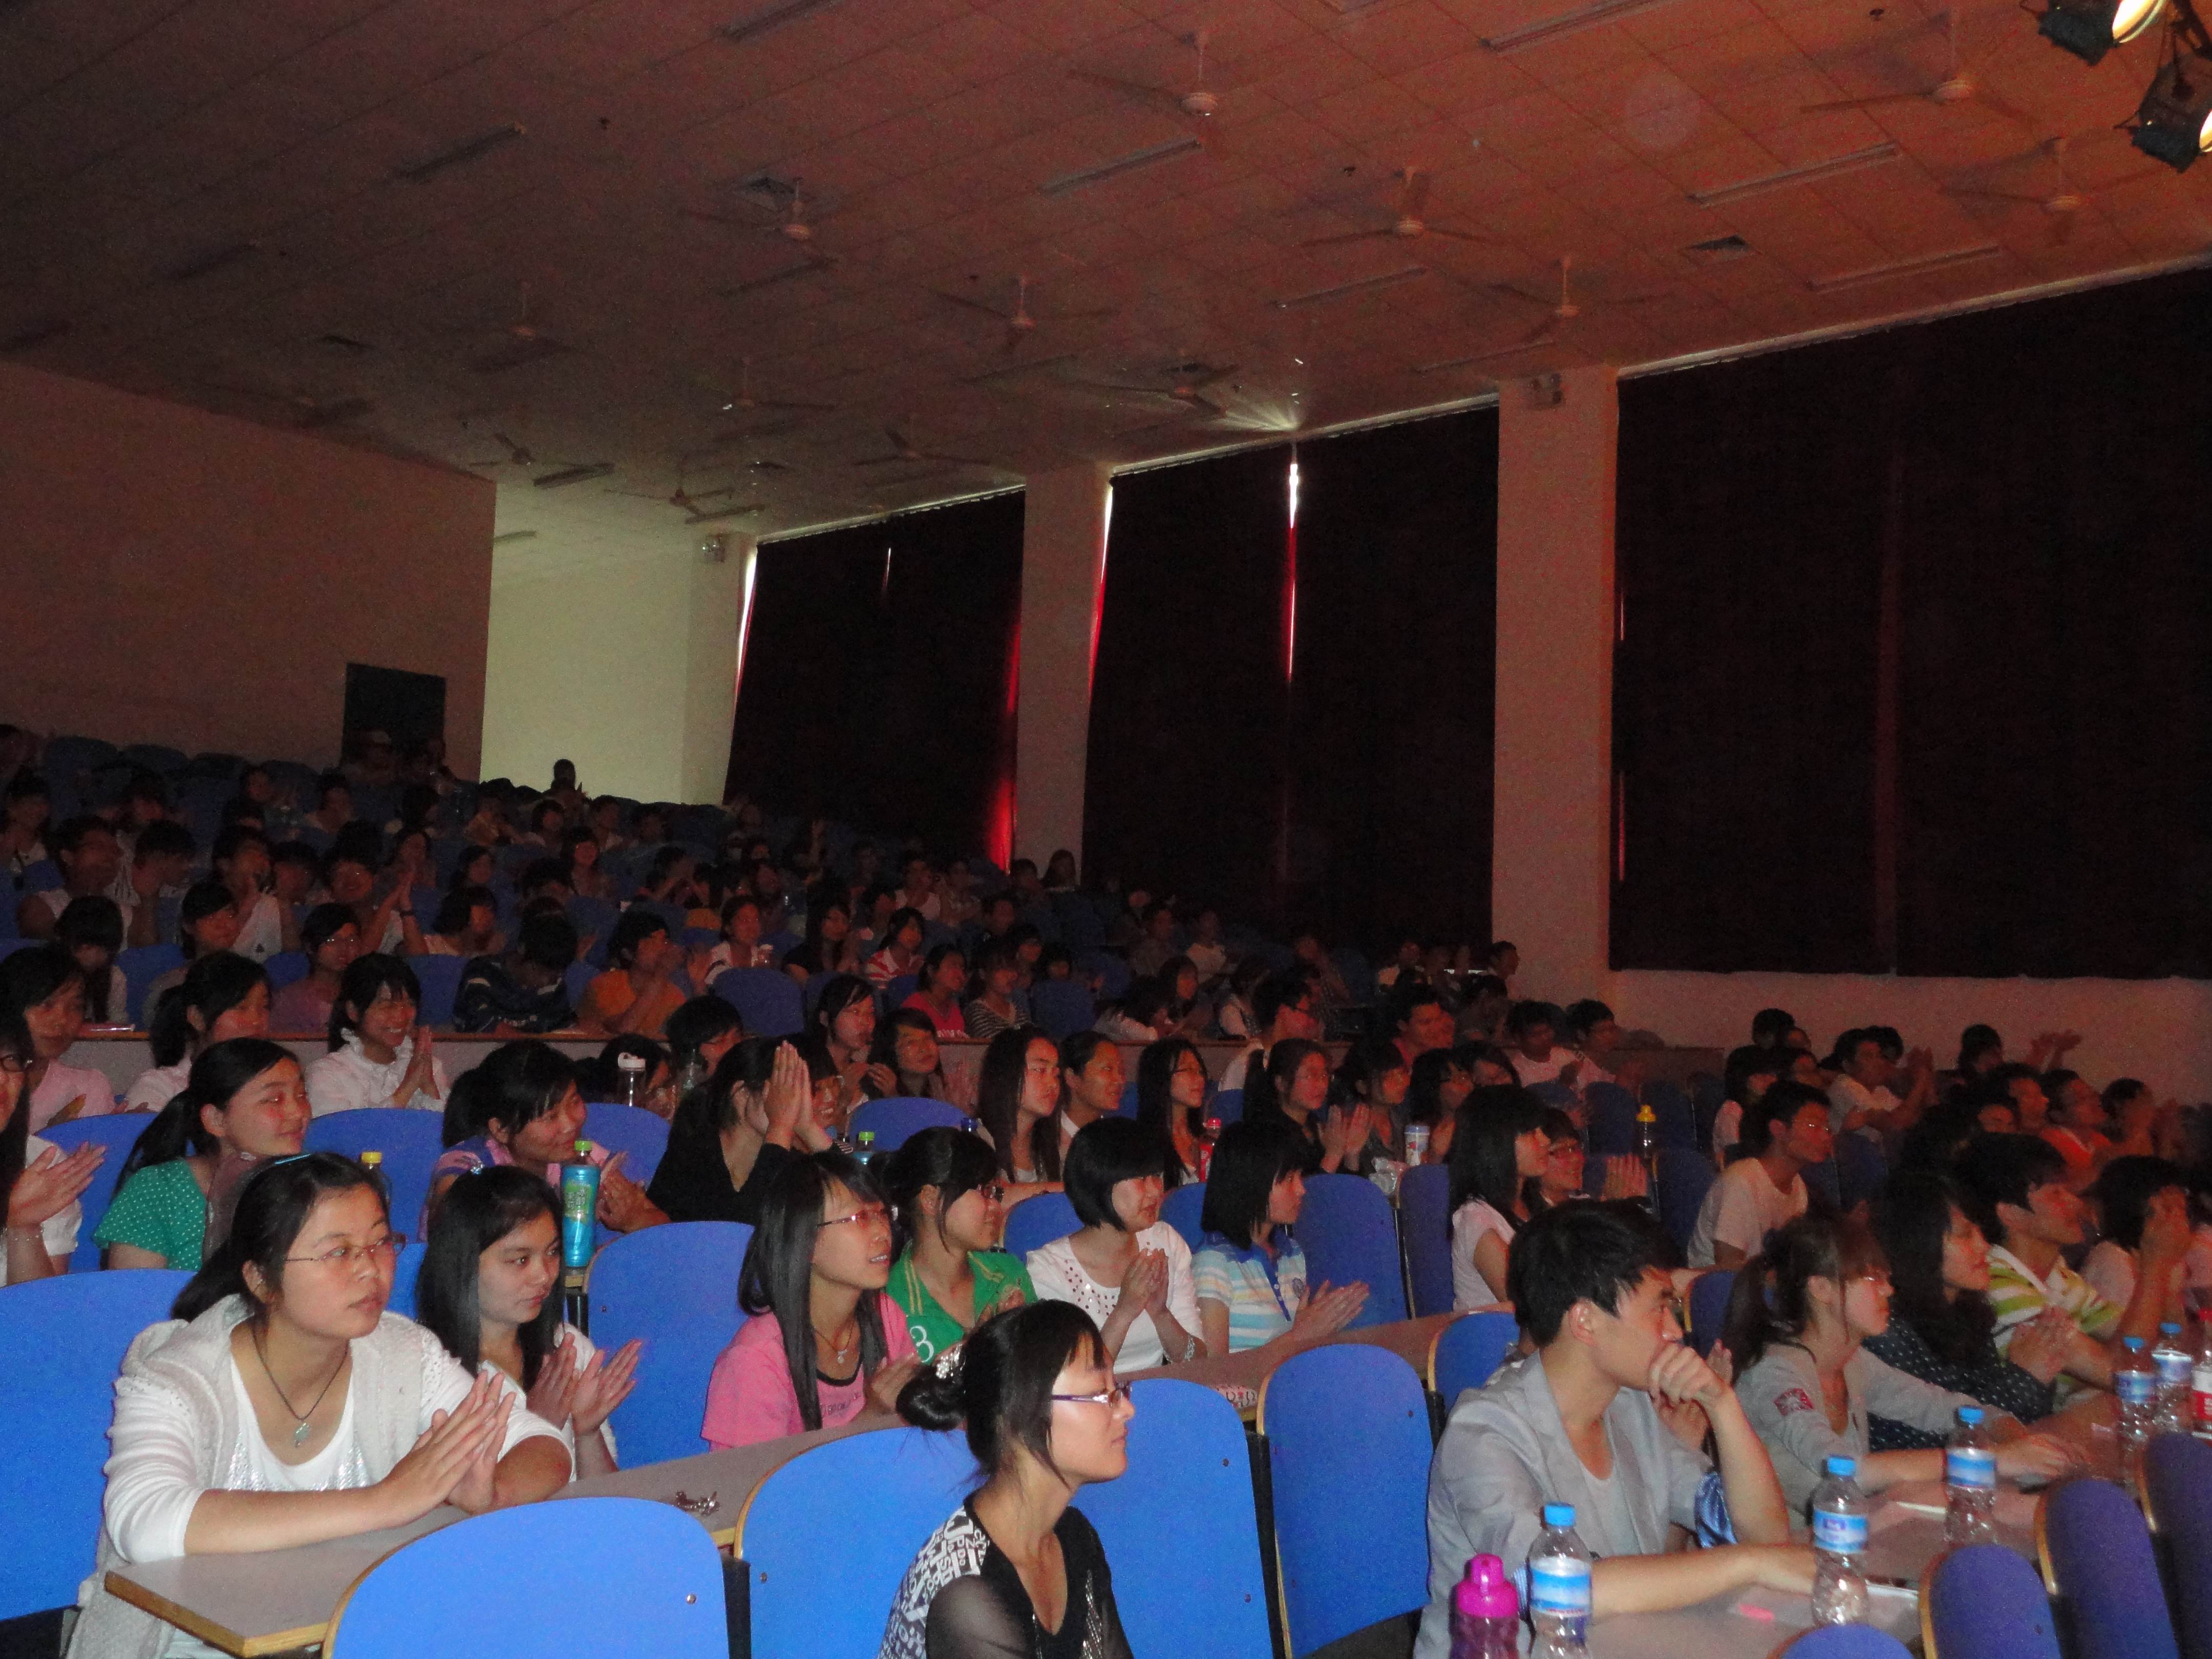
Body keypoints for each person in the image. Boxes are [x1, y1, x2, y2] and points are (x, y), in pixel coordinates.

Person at [70, 1153, 571, 1659]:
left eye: (380, 1243)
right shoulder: (177, 1377)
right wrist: (385, 1501)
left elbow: (541, 1444)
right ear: (261, 1279)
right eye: (338, 1252)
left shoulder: (404, 1354)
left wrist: (493, 1496)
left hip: (346, 1638)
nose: (370, 1269)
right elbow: (145, 1524)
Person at [1412, 1202, 1805, 1659]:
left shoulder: (1632, 1406)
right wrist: (1749, 1564)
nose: (1675, 1331)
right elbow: (1560, 1590)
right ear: (1586, 1321)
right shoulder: (1482, 1432)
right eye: (1659, 1308)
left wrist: (1723, 1405)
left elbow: (1764, 1534)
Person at [1724, 1213, 2076, 1518]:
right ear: (1822, 1289)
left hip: (1849, 1538)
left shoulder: (1854, 1361)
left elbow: (1943, 1407)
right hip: (1791, 1554)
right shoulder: (1773, 1373)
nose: (1889, 1291)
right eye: (1873, 1279)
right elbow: (1848, 1471)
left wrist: (2017, 1439)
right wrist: (1995, 1459)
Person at [882, 1301, 1135, 1659]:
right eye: (1100, 1393)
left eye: (1117, 1389)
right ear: (1022, 1413)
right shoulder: (967, 1594)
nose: (1127, 1409)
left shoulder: (1075, 1537)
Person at [415, 1164, 641, 1479]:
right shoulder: (428, 1370)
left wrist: (587, 1433)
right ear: (462, 1264)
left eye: (552, 1252)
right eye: (520, 1260)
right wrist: (539, 1429)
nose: (544, 1275)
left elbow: (604, 1495)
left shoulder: (566, 1346)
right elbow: (468, 1502)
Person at [702, 1150, 922, 1448]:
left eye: (882, 1214)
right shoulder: (755, 1359)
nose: (883, 1232)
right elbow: (755, 1476)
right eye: (860, 1218)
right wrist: (870, 1418)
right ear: (807, 1242)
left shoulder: (886, 1316)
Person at [1956, 1131, 2187, 1400]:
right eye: (2056, 1194)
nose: (2075, 1202)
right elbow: (2121, 1374)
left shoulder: (2061, 1278)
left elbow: (2158, 1349)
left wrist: (2167, 1275)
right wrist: (2155, 1263)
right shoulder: (1996, 1284)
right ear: (2010, 1213)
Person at [1862, 1168, 2077, 1447]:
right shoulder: (1888, 1330)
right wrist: (2025, 1375)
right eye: (1965, 1234)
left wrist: (2038, 1371)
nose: (1984, 1246)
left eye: (1980, 1231)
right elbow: (1937, 1435)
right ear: (1918, 1244)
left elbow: (2016, 1418)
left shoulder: (1968, 1312)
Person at [99, 1038, 311, 1271]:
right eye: (274, 1100)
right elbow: (137, 1290)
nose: (298, 1112)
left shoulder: (316, 1184)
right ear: (216, 1120)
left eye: (302, 1095)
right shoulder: (158, 1190)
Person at [423, 1040, 664, 1239]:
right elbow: (456, 1248)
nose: (571, 1124)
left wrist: (635, 1220)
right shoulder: (467, 1168)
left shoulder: (583, 1159)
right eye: (550, 1117)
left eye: (574, 1102)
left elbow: (667, 1229)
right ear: (501, 1130)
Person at [1025, 1117, 1204, 1375]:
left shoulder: (1166, 1242)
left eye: (1157, 1176)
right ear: (1099, 1182)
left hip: (1159, 1392)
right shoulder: (1049, 1270)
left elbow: (1197, 1361)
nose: (1156, 1191)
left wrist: (1161, 1313)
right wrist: (1124, 1312)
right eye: (1141, 1179)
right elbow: (1071, 1381)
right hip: (1094, 1399)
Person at [1192, 1118, 1366, 1356]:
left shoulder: (1292, 1253)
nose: (1302, 1190)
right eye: (1289, 1179)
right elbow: (1215, 1370)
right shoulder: (1213, 1262)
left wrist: (1322, 1328)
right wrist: (1300, 1337)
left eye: (1300, 1177)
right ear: (1252, 1183)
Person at [883, 1126, 1037, 1363]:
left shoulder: (1009, 1273)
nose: (995, 1207)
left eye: (996, 1194)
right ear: (931, 1199)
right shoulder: (892, 1301)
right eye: (985, 1192)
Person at [647, 1037, 828, 1226]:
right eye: (784, 1093)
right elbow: (743, 1231)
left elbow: (849, 1197)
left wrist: (809, 1129)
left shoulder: (790, 1161)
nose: (793, 1105)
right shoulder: (694, 1155)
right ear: (741, 1095)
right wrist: (779, 1128)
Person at [0, 1005, 101, 1284]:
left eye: (11, 1059)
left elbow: (39, 1304)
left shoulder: (41, 1163)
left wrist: (23, 1227)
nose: (3, 1077)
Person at [1687, 1079, 1832, 1270]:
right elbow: (1728, 1268)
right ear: (1779, 1129)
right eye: (1813, 1126)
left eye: (1827, 1129)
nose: (1825, 1137)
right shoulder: (1741, 1181)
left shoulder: (1798, 1185)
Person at [125, 954, 272, 1114]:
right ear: (197, 1018)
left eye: (264, 1007)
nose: (256, 1021)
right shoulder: (159, 1087)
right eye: (240, 1008)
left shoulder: (279, 1082)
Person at [305, 955, 449, 1117]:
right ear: (353, 1011)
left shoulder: (429, 1066)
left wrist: (428, 1086)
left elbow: (445, 1132)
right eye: (387, 1006)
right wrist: (408, 1087)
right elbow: (345, 1132)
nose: (401, 1017)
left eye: (409, 1004)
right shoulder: (326, 1074)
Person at [1448, 1083, 1550, 1308]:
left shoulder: (1537, 1205)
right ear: (1496, 1143)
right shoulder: (1476, 1220)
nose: (1545, 1141)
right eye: (1531, 1133)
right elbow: (1530, 1306)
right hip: (1500, 1331)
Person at [2, 944, 115, 1130]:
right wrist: (51, 1136)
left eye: (75, 1007)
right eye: (47, 1005)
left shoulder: (87, 1088)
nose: (62, 1020)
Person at [1242, 1037, 1366, 1176]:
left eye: (1324, 1075)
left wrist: (1351, 1155)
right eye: (1310, 1076)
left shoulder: (1315, 1125)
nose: (1322, 1085)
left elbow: (1343, 1186)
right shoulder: (1267, 1133)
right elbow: (1297, 1188)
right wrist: (1333, 1156)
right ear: (1282, 1083)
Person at [2081, 1155, 2192, 1309]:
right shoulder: (2113, 1260)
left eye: (2181, 1209)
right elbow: (2133, 1327)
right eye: (2168, 1208)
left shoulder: (2165, 1258)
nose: (2179, 1219)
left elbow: (2173, 1324)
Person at [576, 908, 700, 1040]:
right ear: (628, 953)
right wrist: (661, 974)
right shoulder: (605, 985)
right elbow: (624, 1030)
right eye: (651, 941)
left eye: (665, 941)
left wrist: (699, 985)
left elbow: (694, 1034)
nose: (663, 948)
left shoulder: (672, 993)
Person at [453, 910, 579, 1035]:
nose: (545, 982)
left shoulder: (554, 986)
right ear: (522, 950)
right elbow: (484, 1026)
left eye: (556, 975)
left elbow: (563, 1030)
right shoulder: (483, 973)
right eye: (539, 971)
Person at [975, 1026, 1066, 1196]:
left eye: (1056, 1075)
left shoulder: (1052, 1148)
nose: (1053, 1084)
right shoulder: (975, 1140)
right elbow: (989, 1197)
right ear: (1007, 1073)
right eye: (1040, 1070)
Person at [270, 904, 359, 1035]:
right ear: (310, 947)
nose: (344, 948)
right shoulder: (289, 1000)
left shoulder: (363, 994)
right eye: (332, 940)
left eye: (351, 940)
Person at [812, 974, 895, 1114]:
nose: (866, 1022)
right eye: (855, 1012)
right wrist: (844, 1098)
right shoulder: (807, 1067)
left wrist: (891, 1096)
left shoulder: (868, 1070)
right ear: (825, 1018)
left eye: (871, 1013)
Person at [1132, 1037, 1207, 1186]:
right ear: (1161, 1076)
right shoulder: (1142, 1143)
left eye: (1200, 1071)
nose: (1199, 1079)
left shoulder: (1206, 1137)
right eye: (1188, 1070)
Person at [212, 826, 284, 964]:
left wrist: (285, 903)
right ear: (225, 864)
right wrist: (248, 905)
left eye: (265, 856)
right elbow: (214, 957)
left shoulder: (271, 904)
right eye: (251, 853)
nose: (261, 861)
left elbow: (291, 955)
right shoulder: (204, 901)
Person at [55, 894, 129, 1025]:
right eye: (86, 946)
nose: (93, 954)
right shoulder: (45, 975)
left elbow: (118, 1024)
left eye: (102, 947)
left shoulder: (115, 979)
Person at [1712, 1045, 1781, 1167]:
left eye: (1772, 1074)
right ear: (1742, 1078)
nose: (1770, 1080)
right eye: (1759, 1075)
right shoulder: (1732, 1110)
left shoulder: (1772, 1108)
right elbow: (1736, 1155)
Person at [873, 1007, 956, 1104]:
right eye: (911, 1042)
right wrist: (893, 1098)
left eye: (928, 1038)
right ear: (891, 1052)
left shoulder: (941, 1087)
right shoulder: (877, 1093)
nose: (924, 1048)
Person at [1405, 1048, 1473, 1166]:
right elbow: (1416, 1173)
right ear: (1434, 1088)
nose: (1467, 1085)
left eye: (1466, 1077)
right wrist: (1436, 1155)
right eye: (1458, 1080)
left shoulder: (1478, 1121)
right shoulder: (1420, 1133)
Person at [962, 937, 1027, 1042]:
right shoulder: (977, 1012)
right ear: (983, 974)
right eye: (1003, 969)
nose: (1012, 975)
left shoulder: (1018, 1010)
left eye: (1013, 969)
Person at [903, 943, 969, 1039]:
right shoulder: (914, 1007)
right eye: (953, 966)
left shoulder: (955, 1010)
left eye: (962, 968)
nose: (960, 974)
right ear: (931, 971)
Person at [1502, 1001, 1572, 1089]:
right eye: (1536, 1035)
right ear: (1518, 1038)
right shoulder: (1516, 1072)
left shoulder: (1567, 1056)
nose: (1545, 1038)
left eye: (1547, 1031)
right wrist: (1563, 1084)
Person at [420, 885, 501, 958]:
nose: (490, 916)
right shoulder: (426, 945)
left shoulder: (479, 959)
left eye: (492, 911)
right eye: (483, 908)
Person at [866, 906, 927, 990]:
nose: (916, 935)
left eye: (920, 932)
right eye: (912, 928)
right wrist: (910, 976)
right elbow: (885, 997)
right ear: (894, 928)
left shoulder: (920, 963)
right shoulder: (876, 965)